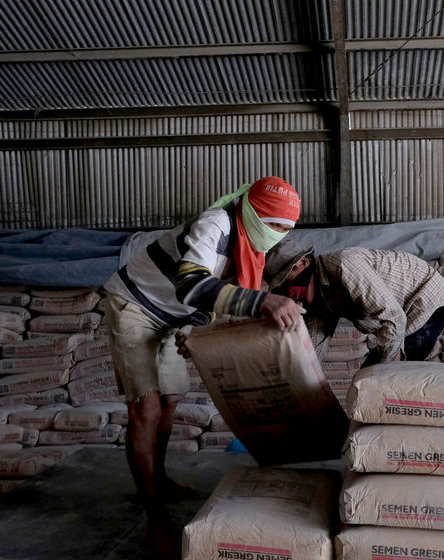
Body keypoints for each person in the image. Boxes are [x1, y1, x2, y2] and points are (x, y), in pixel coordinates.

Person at [102, 176, 304, 557]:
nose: (276, 235)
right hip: (135, 304)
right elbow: (192, 286)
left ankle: (158, 479)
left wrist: (198, 332)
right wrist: (262, 303)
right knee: (146, 406)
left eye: (285, 229)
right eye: (272, 225)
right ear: (250, 211)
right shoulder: (217, 224)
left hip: (172, 317)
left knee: (171, 401)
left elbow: (209, 303)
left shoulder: (252, 250)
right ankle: (155, 517)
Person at [265, 241, 444, 365]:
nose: (286, 293)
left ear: (304, 263)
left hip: (426, 301)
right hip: (400, 317)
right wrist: (301, 376)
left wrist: (385, 372)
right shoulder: (320, 298)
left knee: (391, 378)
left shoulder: (344, 265)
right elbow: (315, 345)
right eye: (280, 289)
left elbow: (393, 318)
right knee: (368, 377)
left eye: (285, 280)